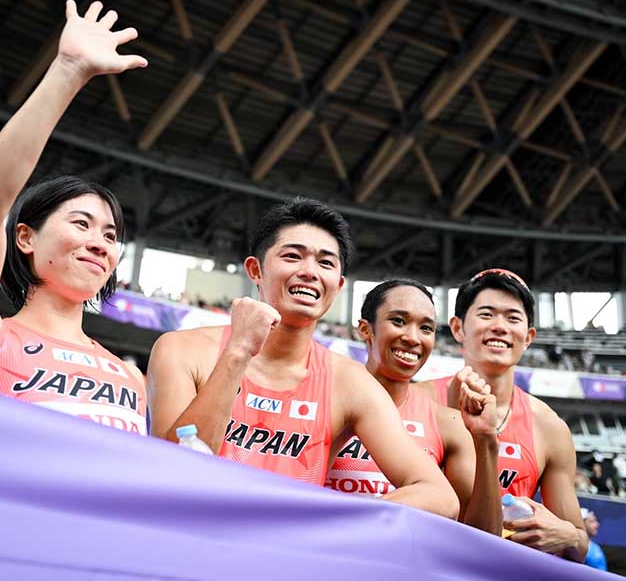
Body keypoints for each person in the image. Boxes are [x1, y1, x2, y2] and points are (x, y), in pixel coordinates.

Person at [147, 199, 459, 519]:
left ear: (337, 286)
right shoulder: (181, 350)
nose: (309, 272)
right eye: (293, 256)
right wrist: (238, 353)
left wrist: (328, 520)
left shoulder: (348, 382)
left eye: (325, 263)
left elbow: (439, 496)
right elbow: (171, 473)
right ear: (256, 269)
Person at [0, 0, 148, 435]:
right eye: (81, 224)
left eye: (110, 234)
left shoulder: (131, 378)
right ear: (26, 237)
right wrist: (68, 71)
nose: (100, 243)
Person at [432, 269, 588, 560]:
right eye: (487, 314)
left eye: (513, 318)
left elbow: (578, 546)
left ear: (528, 336)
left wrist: (567, 534)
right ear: (457, 328)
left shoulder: (549, 427)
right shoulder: (421, 401)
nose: (500, 327)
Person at [326, 279, 501, 533]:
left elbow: (485, 537)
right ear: (365, 329)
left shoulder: (447, 424)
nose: (412, 338)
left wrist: (486, 440)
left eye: (426, 328)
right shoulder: (326, 400)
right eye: (398, 321)